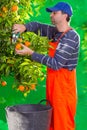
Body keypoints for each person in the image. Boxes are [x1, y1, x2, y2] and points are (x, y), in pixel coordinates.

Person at [13, 2, 80, 130]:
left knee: (62, 125)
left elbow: (56, 64)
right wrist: (24, 27)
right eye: (51, 13)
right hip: (54, 87)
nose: (51, 15)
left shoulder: (71, 37)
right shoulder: (57, 33)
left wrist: (31, 53)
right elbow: (38, 26)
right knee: (51, 123)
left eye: (55, 13)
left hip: (64, 91)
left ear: (65, 15)